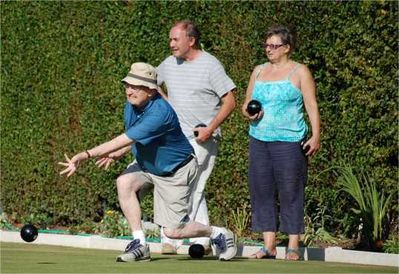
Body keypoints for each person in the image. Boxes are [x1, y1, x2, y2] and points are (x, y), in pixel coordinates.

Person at [58, 62, 237, 262]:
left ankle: (218, 233)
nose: (129, 90)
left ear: (151, 91)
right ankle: (140, 244)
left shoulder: (160, 112)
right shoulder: (132, 105)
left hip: (175, 171)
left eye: (136, 86)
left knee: (173, 232)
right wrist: (120, 152)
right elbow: (136, 136)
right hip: (147, 164)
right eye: (127, 85)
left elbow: (122, 139)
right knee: (124, 182)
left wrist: (85, 154)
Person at [156, 20, 236, 254]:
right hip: (175, 139)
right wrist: (165, 103)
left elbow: (230, 100)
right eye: (170, 39)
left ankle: (178, 238)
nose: (171, 44)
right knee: (186, 187)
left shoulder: (210, 65)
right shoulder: (169, 64)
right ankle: (201, 240)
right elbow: (150, 84)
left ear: (191, 40)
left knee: (191, 187)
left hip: (202, 138)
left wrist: (210, 128)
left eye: (175, 39)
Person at [242, 26, 320, 261]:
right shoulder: (258, 71)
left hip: (289, 140)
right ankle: (269, 246)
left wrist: (316, 135)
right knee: (261, 190)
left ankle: (294, 245)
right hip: (259, 139)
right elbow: (246, 103)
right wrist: (248, 113)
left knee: (291, 191)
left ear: (287, 48)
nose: (269, 50)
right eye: (267, 45)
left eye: (274, 46)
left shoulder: (299, 71)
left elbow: (311, 104)